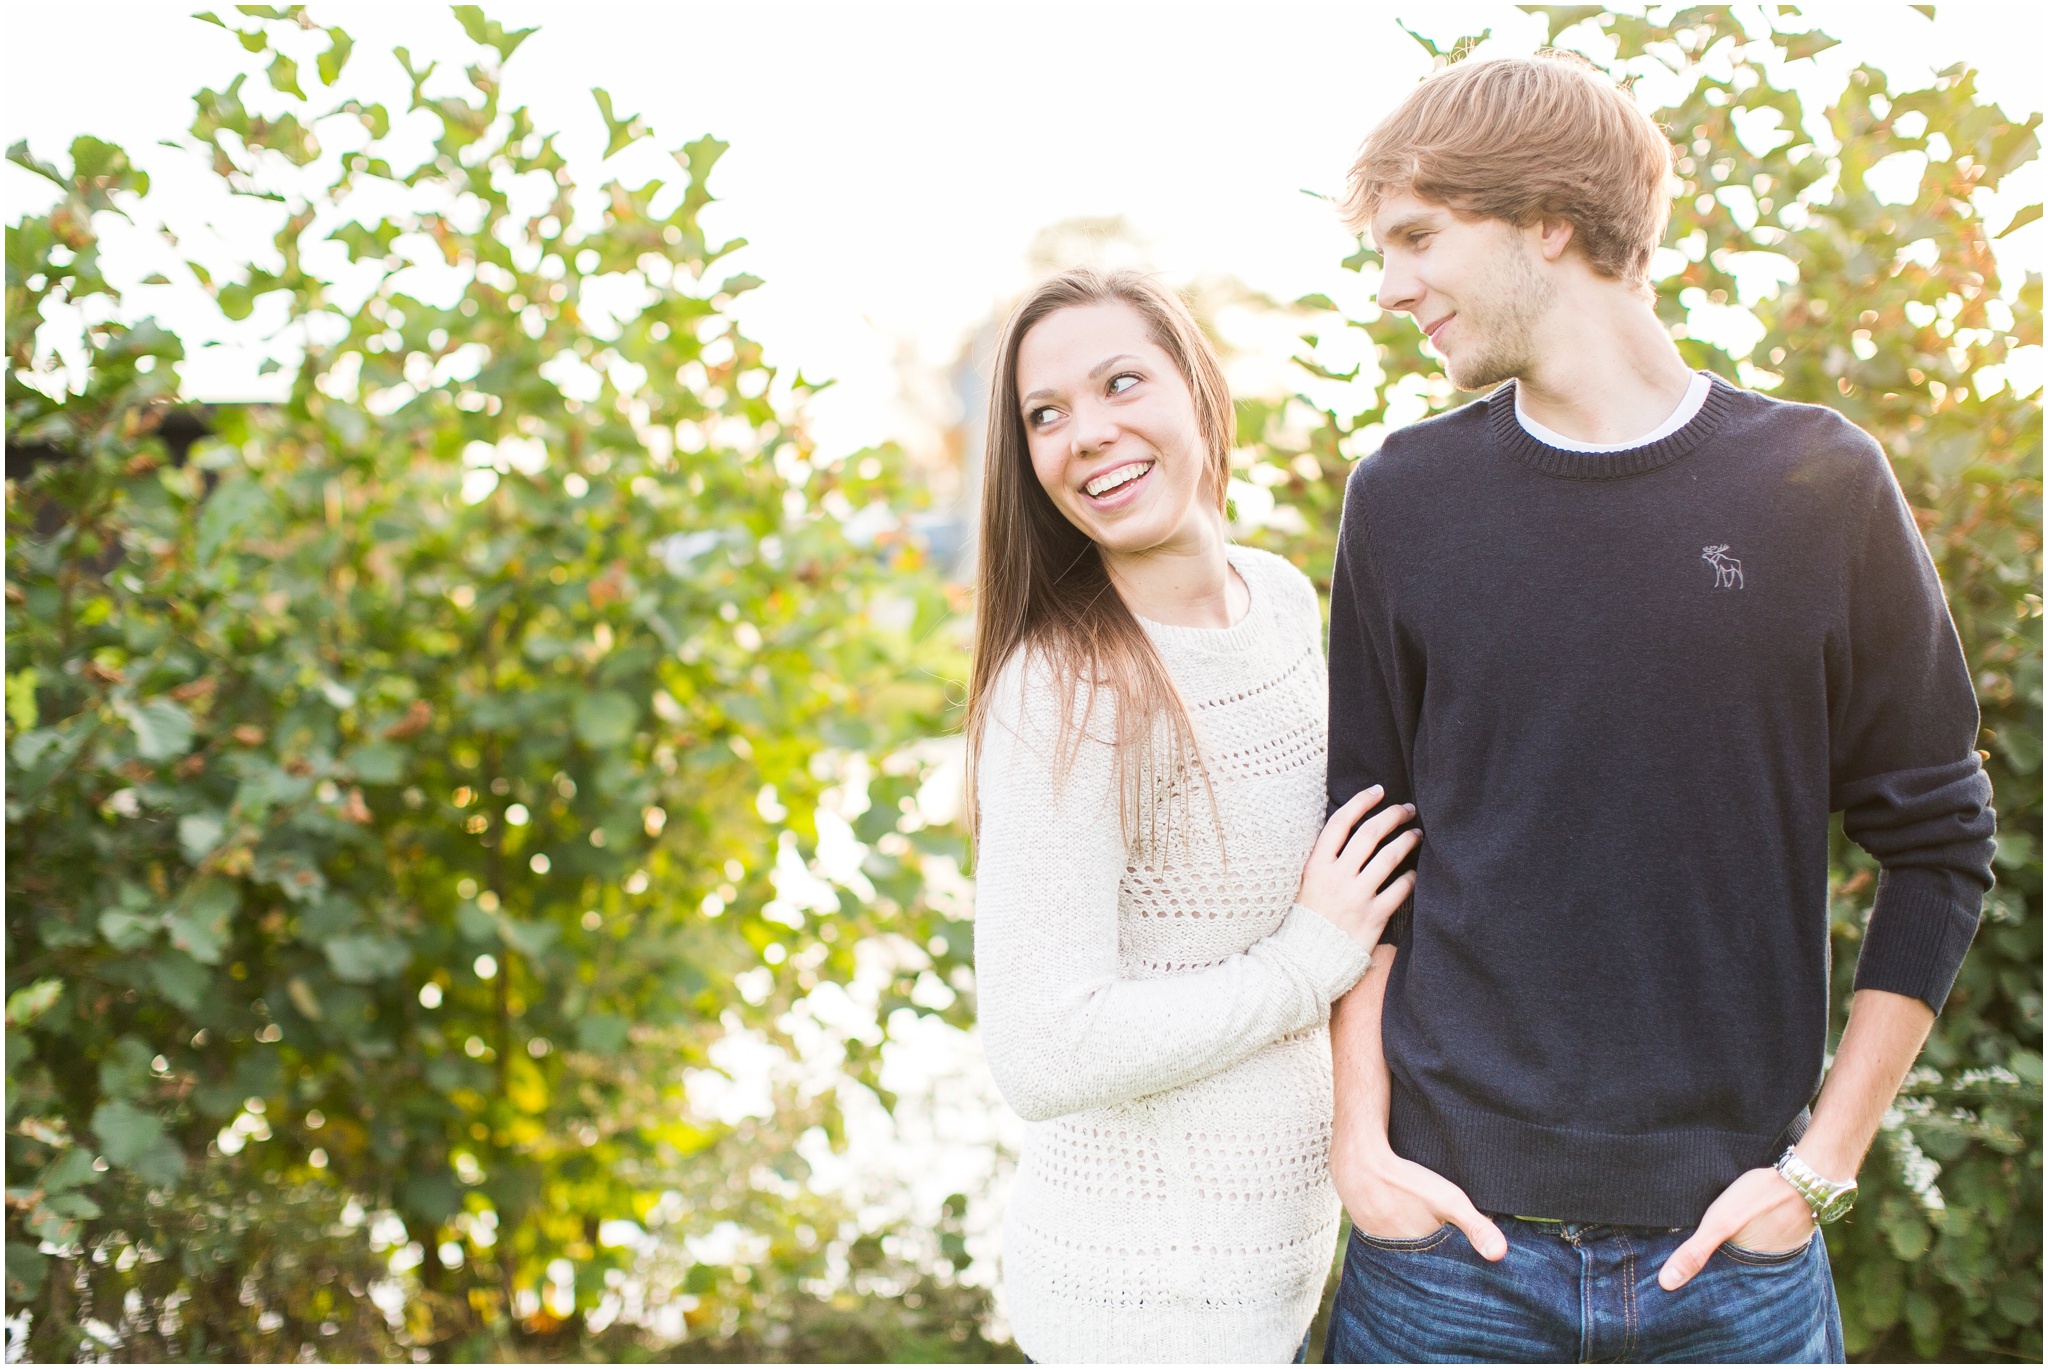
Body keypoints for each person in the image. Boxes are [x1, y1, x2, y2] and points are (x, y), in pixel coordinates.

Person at [1318, 51, 1997, 1363]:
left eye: (1417, 238)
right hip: (1447, 1267)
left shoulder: (1817, 484)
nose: (1392, 287)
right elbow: (1365, 849)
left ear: (1550, 222)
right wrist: (1365, 1155)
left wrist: (1822, 1168)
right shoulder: (1403, 497)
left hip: (1729, 1273)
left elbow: (1938, 841)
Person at [967, 267, 1417, 1363]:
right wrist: (1305, 957)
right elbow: (1041, 1048)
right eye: (1046, 415)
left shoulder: (1277, 599)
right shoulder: (1065, 688)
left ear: (1198, 390)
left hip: (1278, 1274)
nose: (1088, 433)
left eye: (1121, 382)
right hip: (1134, 1300)